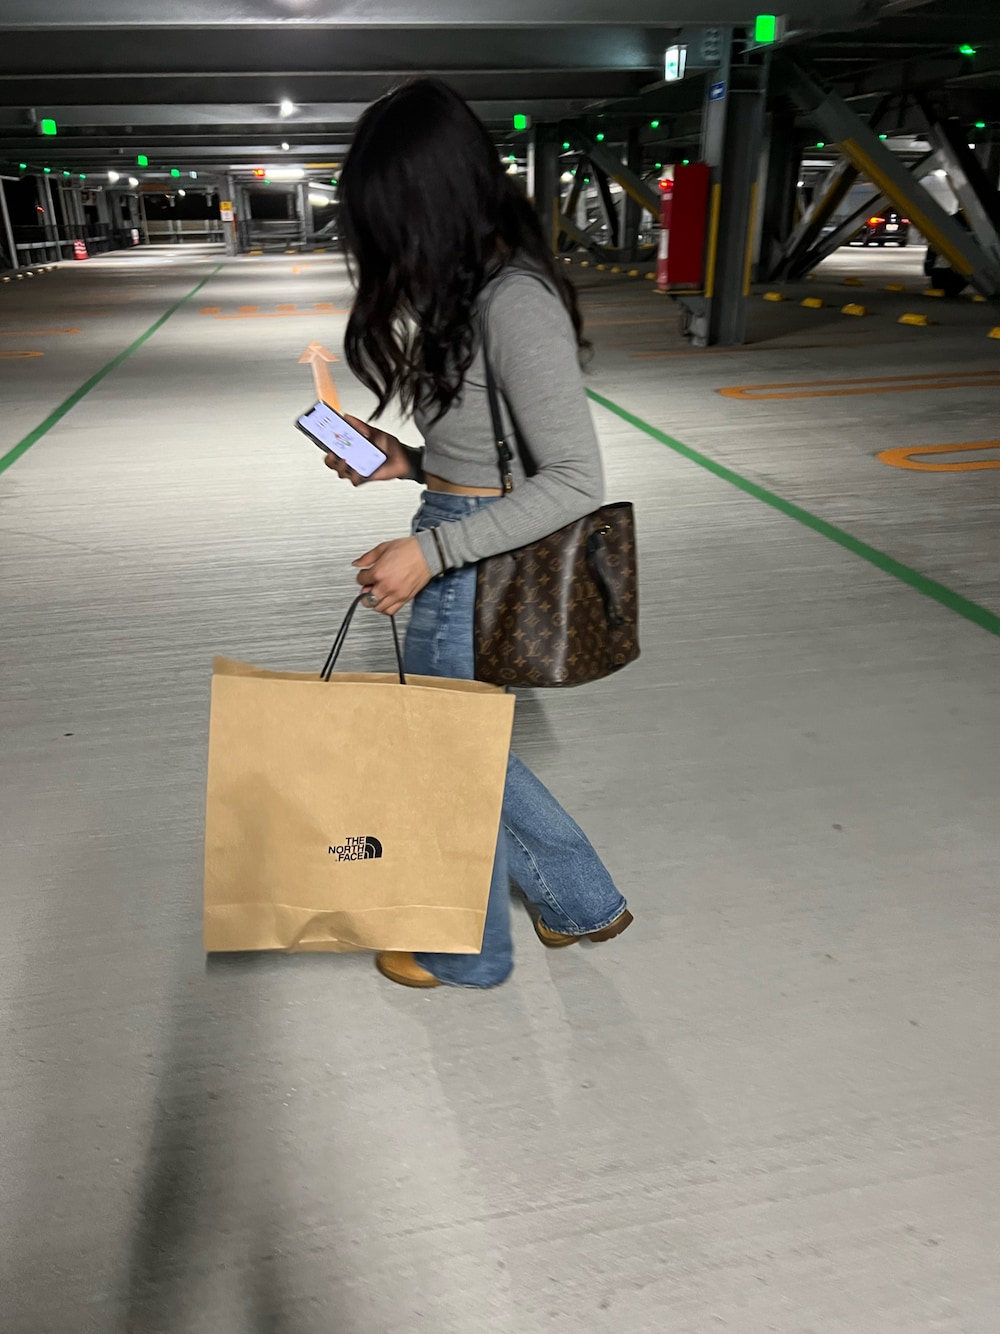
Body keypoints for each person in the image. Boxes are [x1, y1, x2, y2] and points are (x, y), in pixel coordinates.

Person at [324, 78, 632, 988]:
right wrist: (404, 461)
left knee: (448, 755)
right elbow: (484, 454)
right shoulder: (465, 293)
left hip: (471, 553)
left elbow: (574, 478)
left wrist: (432, 551)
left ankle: (461, 948)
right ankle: (579, 903)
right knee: (462, 747)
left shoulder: (513, 300)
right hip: (456, 529)